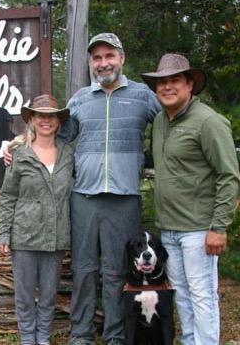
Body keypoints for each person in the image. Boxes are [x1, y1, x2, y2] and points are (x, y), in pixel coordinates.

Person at [60, 33, 161, 345]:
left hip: (125, 199)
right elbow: (55, 140)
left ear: (122, 58)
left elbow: (173, 127)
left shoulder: (144, 96)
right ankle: (80, 335)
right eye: (97, 58)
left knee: (118, 271)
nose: (103, 63)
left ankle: (115, 335)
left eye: (109, 56)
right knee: (84, 270)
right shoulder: (78, 100)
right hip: (84, 198)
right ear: (91, 62)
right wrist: (16, 147)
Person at [141, 53, 240, 345]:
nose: (168, 87)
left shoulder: (208, 121)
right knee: (181, 293)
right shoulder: (160, 121)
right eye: (162, 82)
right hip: (170, 227)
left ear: (189, 84)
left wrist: (219, 227)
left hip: (199, 228)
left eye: (175, 80)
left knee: (202, 295)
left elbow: (228, 176)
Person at [0, 94, 74, 345]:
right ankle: (28, 338)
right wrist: (3, 233)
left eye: (51, 115)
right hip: (24, 236)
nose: (46, 120)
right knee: (25, 295)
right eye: (41, 115)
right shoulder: (19, 154)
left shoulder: (69, 154)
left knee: (49, 294)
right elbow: (8, 196)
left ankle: (43, 338)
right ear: (31, 119)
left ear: (59, 121)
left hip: (55, 237)